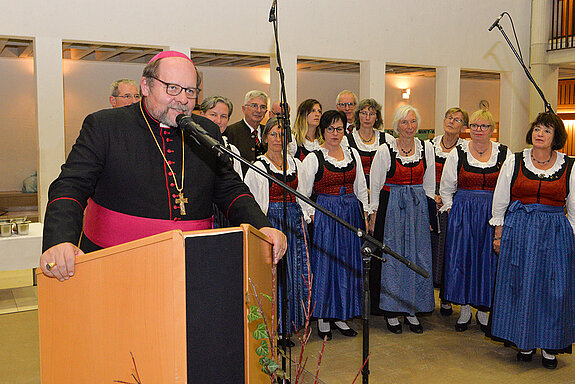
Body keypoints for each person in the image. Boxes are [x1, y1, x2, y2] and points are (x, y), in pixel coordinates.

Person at [40, 51, 286, 283]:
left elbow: (230, 187)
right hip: (116, 263)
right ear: (146, 86)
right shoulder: (106, 126)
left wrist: (262, 225)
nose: (182, 100)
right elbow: (70, 185)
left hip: (192, 265)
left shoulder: (205, 130)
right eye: (172, 88)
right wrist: (59, 240)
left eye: (190, 91)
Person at [490, 112, 575, 369]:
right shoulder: (514, 161)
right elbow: (501, 200)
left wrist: (568, 240)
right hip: (519, 231)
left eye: (547, 131)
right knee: (520, 287)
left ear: (555, 137)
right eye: (538, 129)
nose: (540, 134)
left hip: (554, 233)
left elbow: (573, 208)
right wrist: (499, 233)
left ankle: (550, 346)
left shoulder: (569, 165)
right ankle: (524, 342)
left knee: (553, 290)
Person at [440, 110, 511, 333]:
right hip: (464, 213)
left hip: (492, 214)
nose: (479, 130)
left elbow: (509, 187)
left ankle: (483, 310)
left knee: (487, 261)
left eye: (484, 126)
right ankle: (464, 310)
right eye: (475, 126)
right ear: (469, 128)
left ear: (492, 129)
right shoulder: (458, 153)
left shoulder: (504, 153)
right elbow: (446, 187)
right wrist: (453, 212)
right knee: (463, 259)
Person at [301, 110, 369, 340]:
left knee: (347, 264)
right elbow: (303, 193)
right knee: (326, 265)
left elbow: (360, 187)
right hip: (326, 217)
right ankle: (322, 317)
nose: (335, 133)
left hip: (350, 215)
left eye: (339, 129)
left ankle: (341, 314)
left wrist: (366, 212)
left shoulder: (353, 155)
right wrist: (311, 216)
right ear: (323, 131)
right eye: (330, 128)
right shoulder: (314, 158)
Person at [369, 105, 436, 334]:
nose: (409, 127)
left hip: (417, 210)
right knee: (393, 259)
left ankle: (413, 309)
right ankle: (392, 310)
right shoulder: (385, 150)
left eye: (413, 122)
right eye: (405, 122)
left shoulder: (426, 148)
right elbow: (375, 186)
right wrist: (373, 215)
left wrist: (428, 215)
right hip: (392, 208)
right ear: (396, 125)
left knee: (417, 257)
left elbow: (429, 186)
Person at [244, 118, 310, 335]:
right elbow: (253, 203)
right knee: (276, 276)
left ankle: (290, 325)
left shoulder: (296, 164)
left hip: (294, 223)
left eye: (282, 135)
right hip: (272, 220)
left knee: (294, 274)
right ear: (265, 138)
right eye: (273, 134)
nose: (277, 139)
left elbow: (304, 195)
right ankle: (275, 328)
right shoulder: (259, 167)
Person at [346, 98, 392, 316]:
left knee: (379, 248)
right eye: (363, 113)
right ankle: (356, 301)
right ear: (358, 116)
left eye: (371, 113)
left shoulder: (387, 140)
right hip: (356, 200)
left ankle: (378, 300)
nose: (367, 117)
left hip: (383, 200)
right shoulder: (348, 140)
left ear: (377, 117)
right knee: (359, 249)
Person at [429, 107, 468, 317]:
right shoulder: (430, 145)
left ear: (463, 127)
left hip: (451, 204)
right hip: (431, 202)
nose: (452, 122)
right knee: (430, 251)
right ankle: (427, 295)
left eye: (458, 120)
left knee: (448, 252)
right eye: (450, 118)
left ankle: (446, 298)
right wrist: (431, 197)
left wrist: (444, 198)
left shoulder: (465, 149)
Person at [225, 90, 269, 175]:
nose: (258, 110)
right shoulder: (230, 132)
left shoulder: (268, 132)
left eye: (263, 107)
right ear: (244, 109)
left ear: (266, 112)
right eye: (254, 106)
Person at [198, 95, 242, 176]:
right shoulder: (188, 144)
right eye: (213, 115)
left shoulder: (232, 151)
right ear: (202, 115)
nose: (218, 121)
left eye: (223, 116)